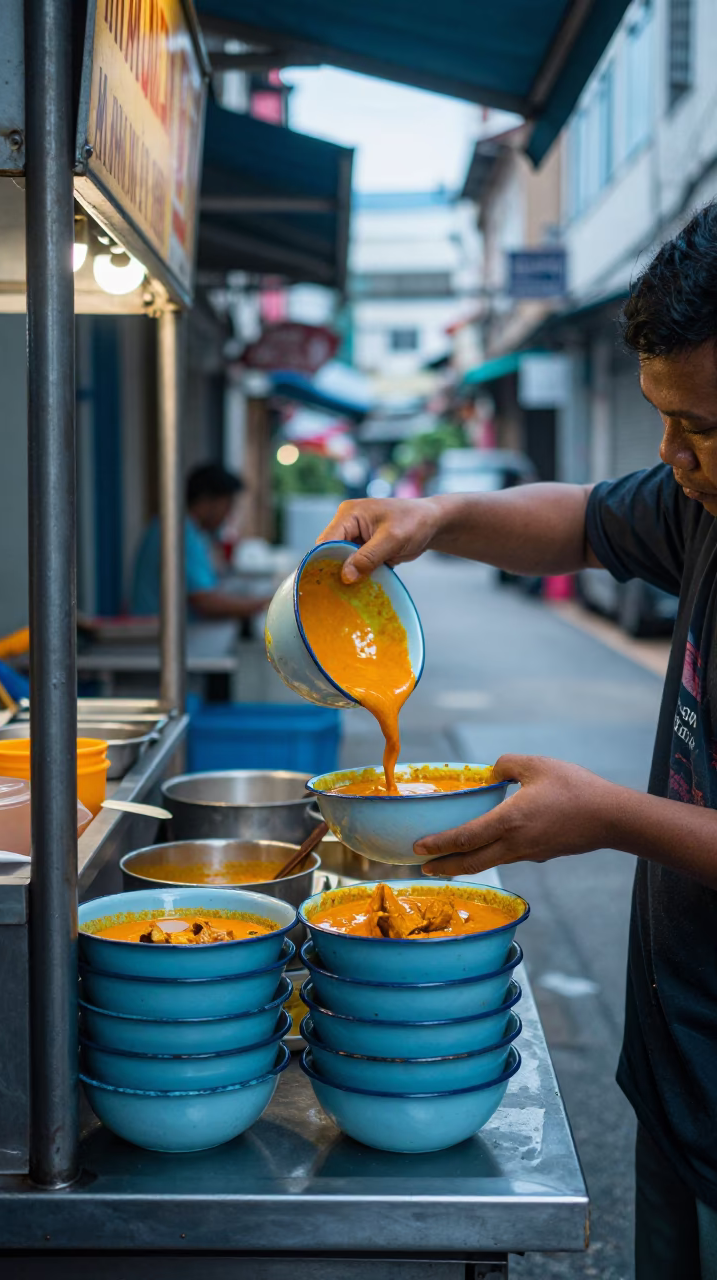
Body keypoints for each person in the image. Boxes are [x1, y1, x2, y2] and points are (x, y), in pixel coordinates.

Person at [316, 203, 717, 1280]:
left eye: (701, 426)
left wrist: (604, 816)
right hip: (682, 1064)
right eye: (661, 418)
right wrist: (437, 517)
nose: (672, 455)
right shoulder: (704, 503)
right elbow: (582, 519)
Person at [131, 463, 270, 621]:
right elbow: (206, 602)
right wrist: (267, 604)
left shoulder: (178, 526)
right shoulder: (180, 532)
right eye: (227, 505)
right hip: (161, 632)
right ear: (206, 500)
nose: (228, 514)